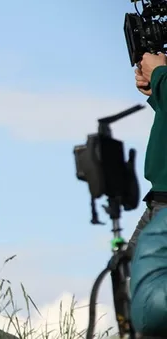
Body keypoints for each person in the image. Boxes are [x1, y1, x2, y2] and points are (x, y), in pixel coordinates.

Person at [128, 52, 167, 337]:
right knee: (132, 274)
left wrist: (161, 75)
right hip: (159, 197)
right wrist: (157, 90)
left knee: (152, 300)